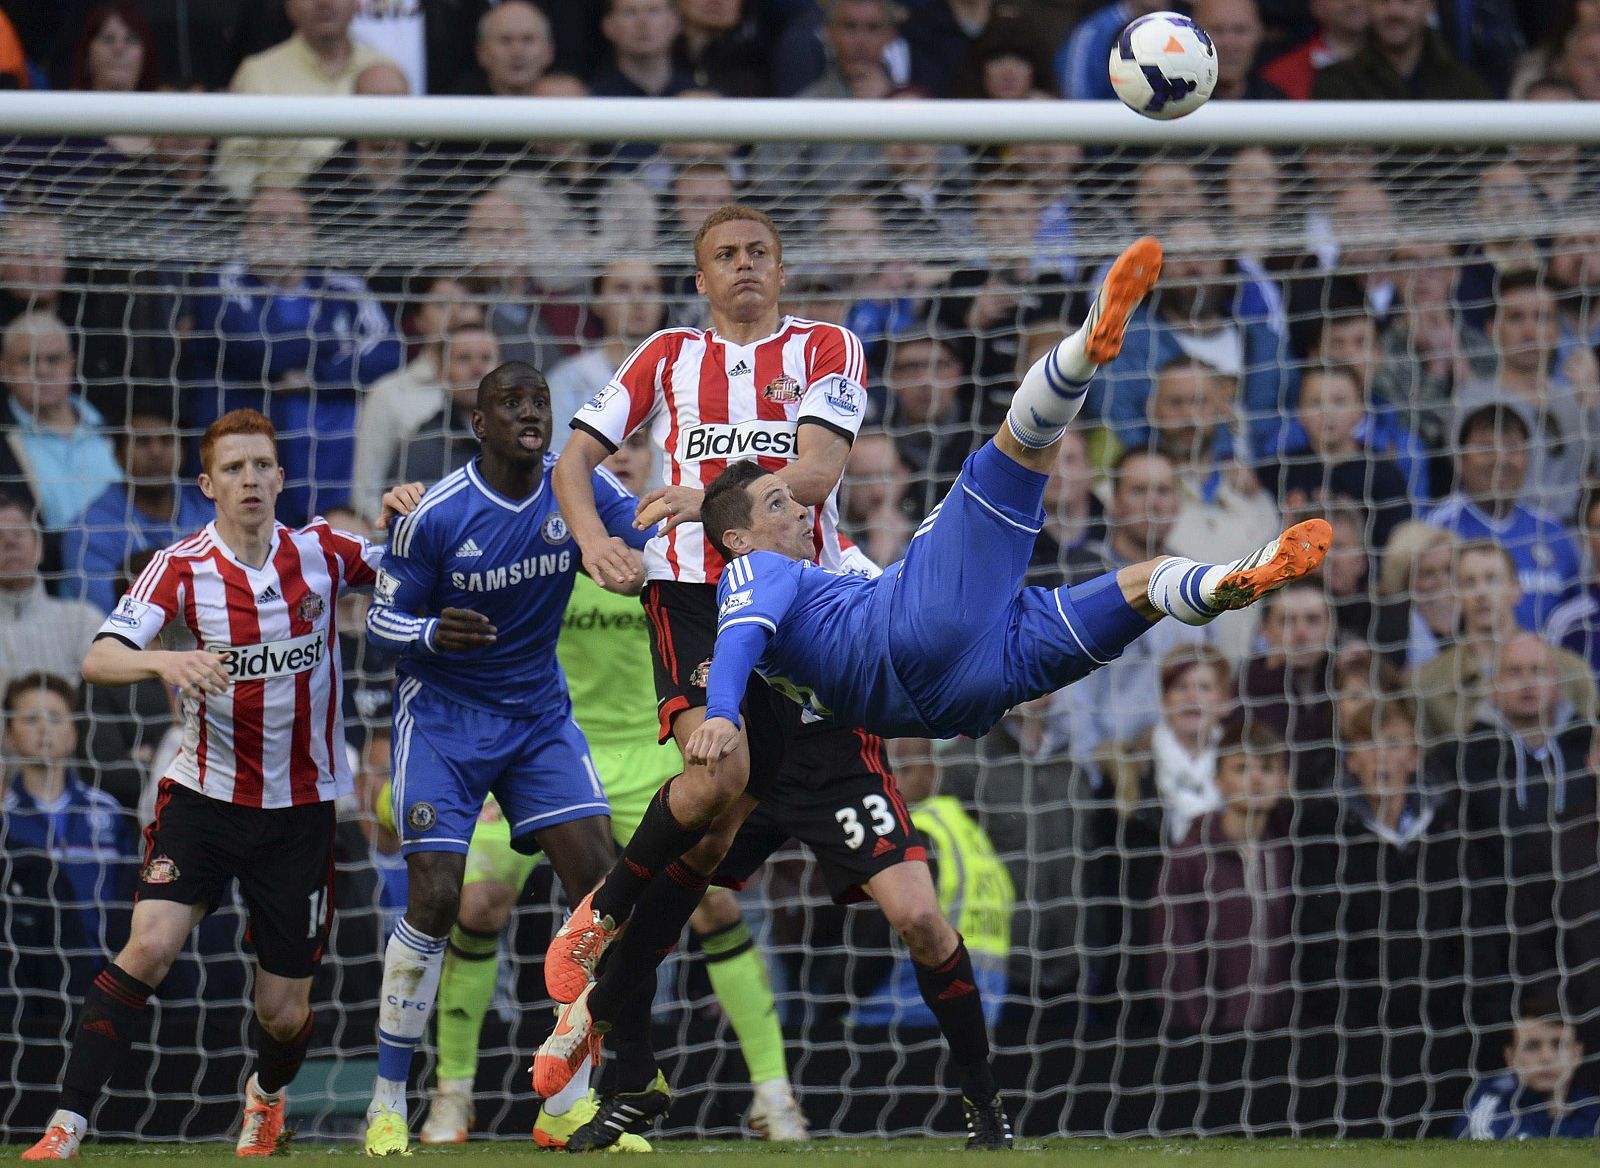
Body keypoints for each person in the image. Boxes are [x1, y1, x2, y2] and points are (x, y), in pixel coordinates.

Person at [537, 237, 1330, 1097]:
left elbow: (806, 494)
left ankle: (617, 1007)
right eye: (773, 502)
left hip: (896, 695)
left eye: (761, 252)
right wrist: (710, 686)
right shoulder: (753, 562)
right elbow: (717, 625)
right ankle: (610, 1026)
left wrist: (713, 534)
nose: (800, 511)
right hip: (939, 661)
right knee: (1046, 494)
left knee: (1119, 592)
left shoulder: (805, 467)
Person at [549, 203, 1016, 1148]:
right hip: (691, 595)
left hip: (807, 623)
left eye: (759, 252)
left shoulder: (828, 347)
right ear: (701, 278)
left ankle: (983, 1099)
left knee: (918, 918)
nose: (744, 267)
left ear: (783, 267)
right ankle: (615, 995)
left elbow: (818, 473)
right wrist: (596, 541)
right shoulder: (665, 356)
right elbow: (575, 459)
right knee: (711, 798)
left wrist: (709, 493)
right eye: (725, 255)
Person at [378, 427, 808, 1146]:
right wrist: (408, 505)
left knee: (714, 907)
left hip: (648, 755)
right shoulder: (553, 546)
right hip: (547, 746)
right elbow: (437, 558)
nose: (620, 467)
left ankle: (773, 1093)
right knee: (478, 902)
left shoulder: (673, 558)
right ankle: (452, 1095)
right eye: (604, 462)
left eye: (631, 458)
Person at [21, 408, 384, 1161]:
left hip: (301, 810)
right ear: (207, 485)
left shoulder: (324, 551)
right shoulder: (181, 565)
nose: (249, 479)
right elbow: (99, 658)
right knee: (148, 947)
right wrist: (165, 660)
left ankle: (267, 1099)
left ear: (280, 478)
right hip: (204, 800)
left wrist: (410, 511)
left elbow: (414, 561)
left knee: (283, 1015)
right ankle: (65, 1126)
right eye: (233, 469)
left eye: (261, 466)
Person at [356, 361, 652, 1156]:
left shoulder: (578, 490)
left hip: (538, 721)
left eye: (539, 402)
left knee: (602, 902)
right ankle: (390, 1102)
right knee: (439, 899)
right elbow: (378, 625)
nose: (530, 413)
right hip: (446, 724)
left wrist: (696, 512)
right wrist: (429, 635)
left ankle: (567, 1104)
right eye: (510, 403)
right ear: (479, 423)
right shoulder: (437, 513)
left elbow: (653, 538)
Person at [1, 672, 138, 998]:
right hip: (27, 981)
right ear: (9, 735)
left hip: (108, 975)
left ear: (75, 732)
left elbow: (128, 893)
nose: (45, 729)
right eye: (31, 719)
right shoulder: (4, 816)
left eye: (56, 718)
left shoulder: (107, 811)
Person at [59, 395, 212, 612]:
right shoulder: (87, 532)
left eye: (167, 440)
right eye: (142, 441)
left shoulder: (212, 514)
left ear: (183, 451)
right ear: (117, 455)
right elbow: (105, 617)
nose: (155, 452)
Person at [1455, 990, 1600, 1138]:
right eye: (1532, 1046)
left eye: (1558, 1045)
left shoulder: (1594, 1113)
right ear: (1510, 1057)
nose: (1546, 1058)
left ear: (1577, 1053)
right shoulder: (1491, 1110)